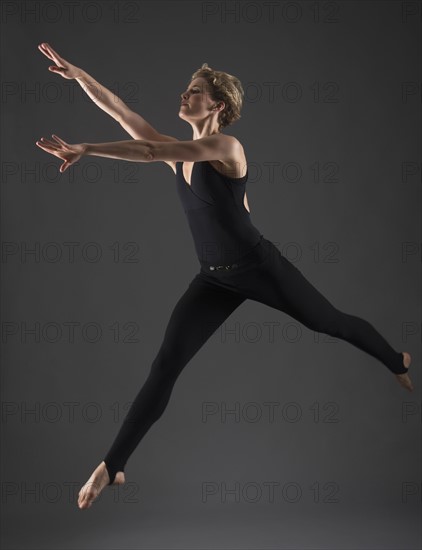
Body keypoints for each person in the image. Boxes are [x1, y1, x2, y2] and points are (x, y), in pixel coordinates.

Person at [36, 43, 413, 510]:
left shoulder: (226, 147)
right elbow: (122, 112)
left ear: (216, 105)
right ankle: (111, 464)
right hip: (213, 279)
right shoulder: (182, 154)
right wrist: (80, 76)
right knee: (165, 366)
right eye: (186, 88)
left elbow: (150, 149)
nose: (184, 95)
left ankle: (396, 359)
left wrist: (86, 148)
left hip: (260, 268)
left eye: (194, 91)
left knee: (329, 322)